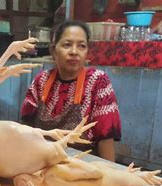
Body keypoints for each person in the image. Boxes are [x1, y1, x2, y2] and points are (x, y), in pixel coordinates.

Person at [20, 20, 121, 161]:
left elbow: (106, 137)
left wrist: (111, 176)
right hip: (43, 161)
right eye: (67, 45)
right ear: (53, 50)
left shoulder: (98, 81)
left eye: (81, 46)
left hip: (83, 165)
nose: (74, 52)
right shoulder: (41, 81)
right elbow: (26, 129)